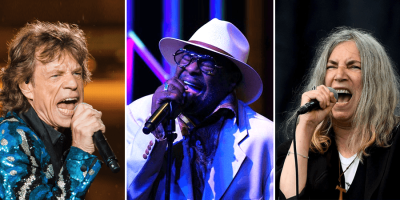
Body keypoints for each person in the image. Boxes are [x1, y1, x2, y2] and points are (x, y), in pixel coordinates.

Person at [127, 18, 273, 200]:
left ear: (232, 79)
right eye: (187, 57)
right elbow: (130, 193)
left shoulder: (265, 137)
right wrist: (159, 130)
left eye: (207, 63)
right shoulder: (138, 114)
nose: (192, 68)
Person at [277, 27, 400, 199]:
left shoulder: (395, 142)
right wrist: (305, 127)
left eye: (354, 66)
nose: (339, 75)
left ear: (375, 81)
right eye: (331, 67)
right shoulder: (301, 148)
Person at [0, 21, 105, 199]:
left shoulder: (64, 135)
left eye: (77, 73)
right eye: (56, 75)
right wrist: (80, 152)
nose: (73, 84)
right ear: (26, 85)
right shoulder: (8, 139)